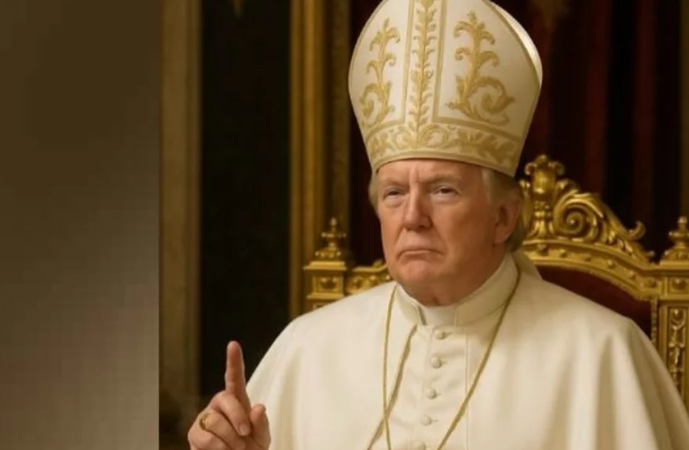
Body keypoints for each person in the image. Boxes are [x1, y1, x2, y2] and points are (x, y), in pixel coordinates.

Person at [187, 0, 689, 449]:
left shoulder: (602, 353)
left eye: (443, 190)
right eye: (394, 193)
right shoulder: (308, 347)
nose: (413, 217)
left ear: (503, 217)